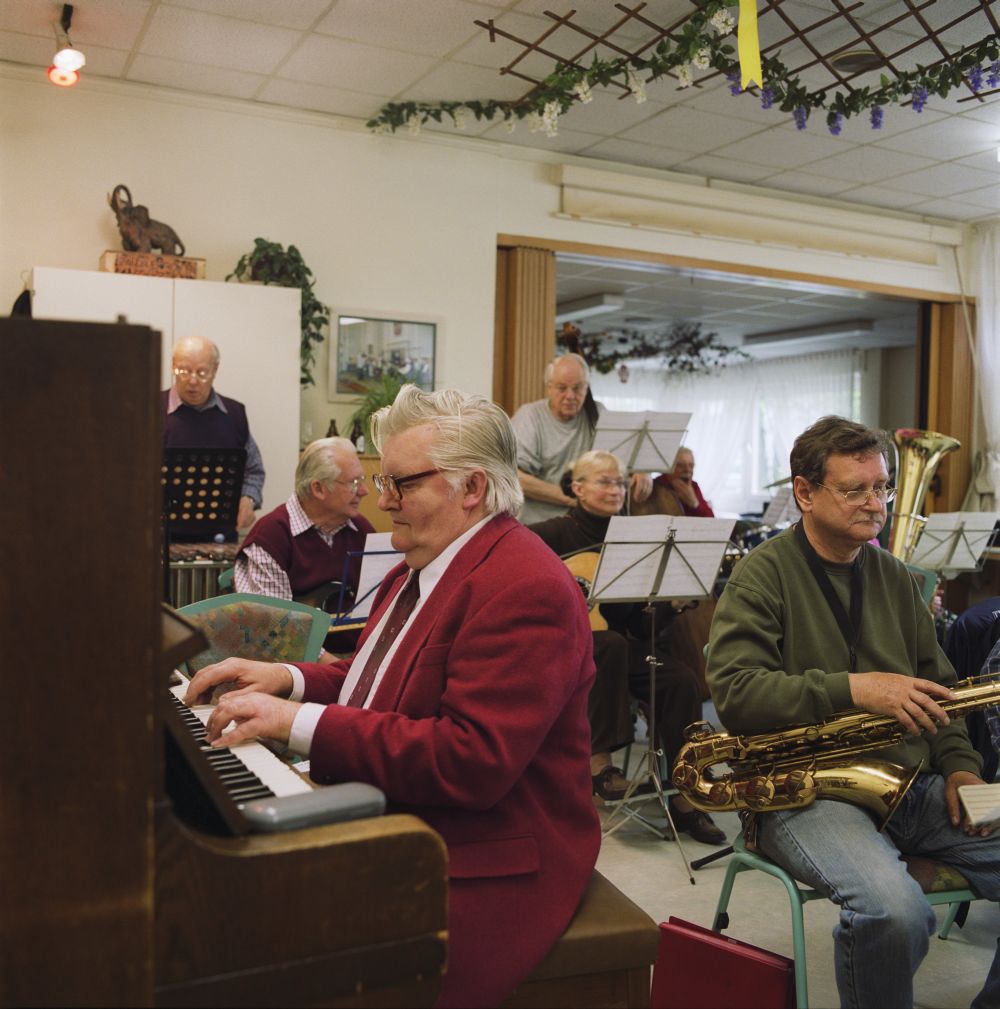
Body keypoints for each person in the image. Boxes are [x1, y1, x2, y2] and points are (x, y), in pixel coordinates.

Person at [182, 385, 600, 1009]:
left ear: (473, 488)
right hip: (416, 815)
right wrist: (286, 679)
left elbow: (470, 760)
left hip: (490, 852)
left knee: (265, 947)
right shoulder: (422, 564)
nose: (381, 503)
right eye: (381, 483)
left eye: (401, 484)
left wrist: (296, 721)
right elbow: (380, 682)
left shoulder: (524, 587)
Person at [706, 415, 1000, 1009]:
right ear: (805, 493)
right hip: (806, 792)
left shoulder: (894, 577)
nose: (875, 504)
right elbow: (736, 694)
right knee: (894, 912)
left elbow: (941, 691)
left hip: (915, 785)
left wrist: (964, 770)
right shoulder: (761, 574)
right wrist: (854, 689)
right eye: (855, 490)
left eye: (882, 488)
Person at [529, 449, 725, 845]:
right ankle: (599, 765)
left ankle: (686, 795)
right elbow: (523, 590)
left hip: (617, 649)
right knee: (610, 644)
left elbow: (639, 622)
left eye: (620, 482)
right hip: (565, 651)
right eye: (604, 481)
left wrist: (669, 608)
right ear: (578, 488)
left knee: (681, 681)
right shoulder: (550, 534)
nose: (615, 489)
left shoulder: (637, 539)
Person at [234, 437, 375, 653]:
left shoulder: (362, 529)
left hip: (356, 656)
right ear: (318, 488)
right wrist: (338, 671)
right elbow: (274, 630)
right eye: (353, 483)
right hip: (291, 663)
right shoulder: (271, 536)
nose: (364, 490)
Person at [511, 353, 652, 524]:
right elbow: (516, 477)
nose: (570, 396)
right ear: (549, 388)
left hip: (590, 522)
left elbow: (620, 459)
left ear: (587, 388)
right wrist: (573, 498)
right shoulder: (529, 416)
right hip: (541, 524)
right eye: (562, 388)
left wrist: (641, 469)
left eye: (578, 388)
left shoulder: (598, 413)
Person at [163, 335, 264, 539]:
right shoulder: (149, 409)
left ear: (215, 370)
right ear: (173, 366)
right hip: (162, 538)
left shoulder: (234, 414)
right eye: (184, 371)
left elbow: (253, 470)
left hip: (220, 536)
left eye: (202, 373)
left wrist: (248, 498)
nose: (192, 381)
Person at [653, 446, 714, 517]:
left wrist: (695, 504)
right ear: (669, 468)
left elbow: (710, 520)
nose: (687, 470)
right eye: (680, 466)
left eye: (691, 465)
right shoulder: (656, 486)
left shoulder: (693, 486)